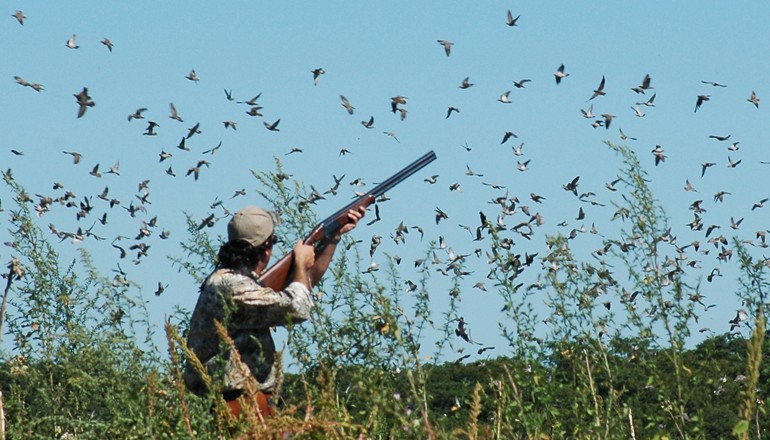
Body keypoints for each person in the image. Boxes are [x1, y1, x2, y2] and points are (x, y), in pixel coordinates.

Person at [184, 205, 365, 419]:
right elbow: (297, 307)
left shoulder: (235, 282)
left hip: (249, 401)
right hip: (240, 405)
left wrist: (332, 237)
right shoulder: (233, 286)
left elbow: (303, 287)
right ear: (266, 247)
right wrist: (299, 264)